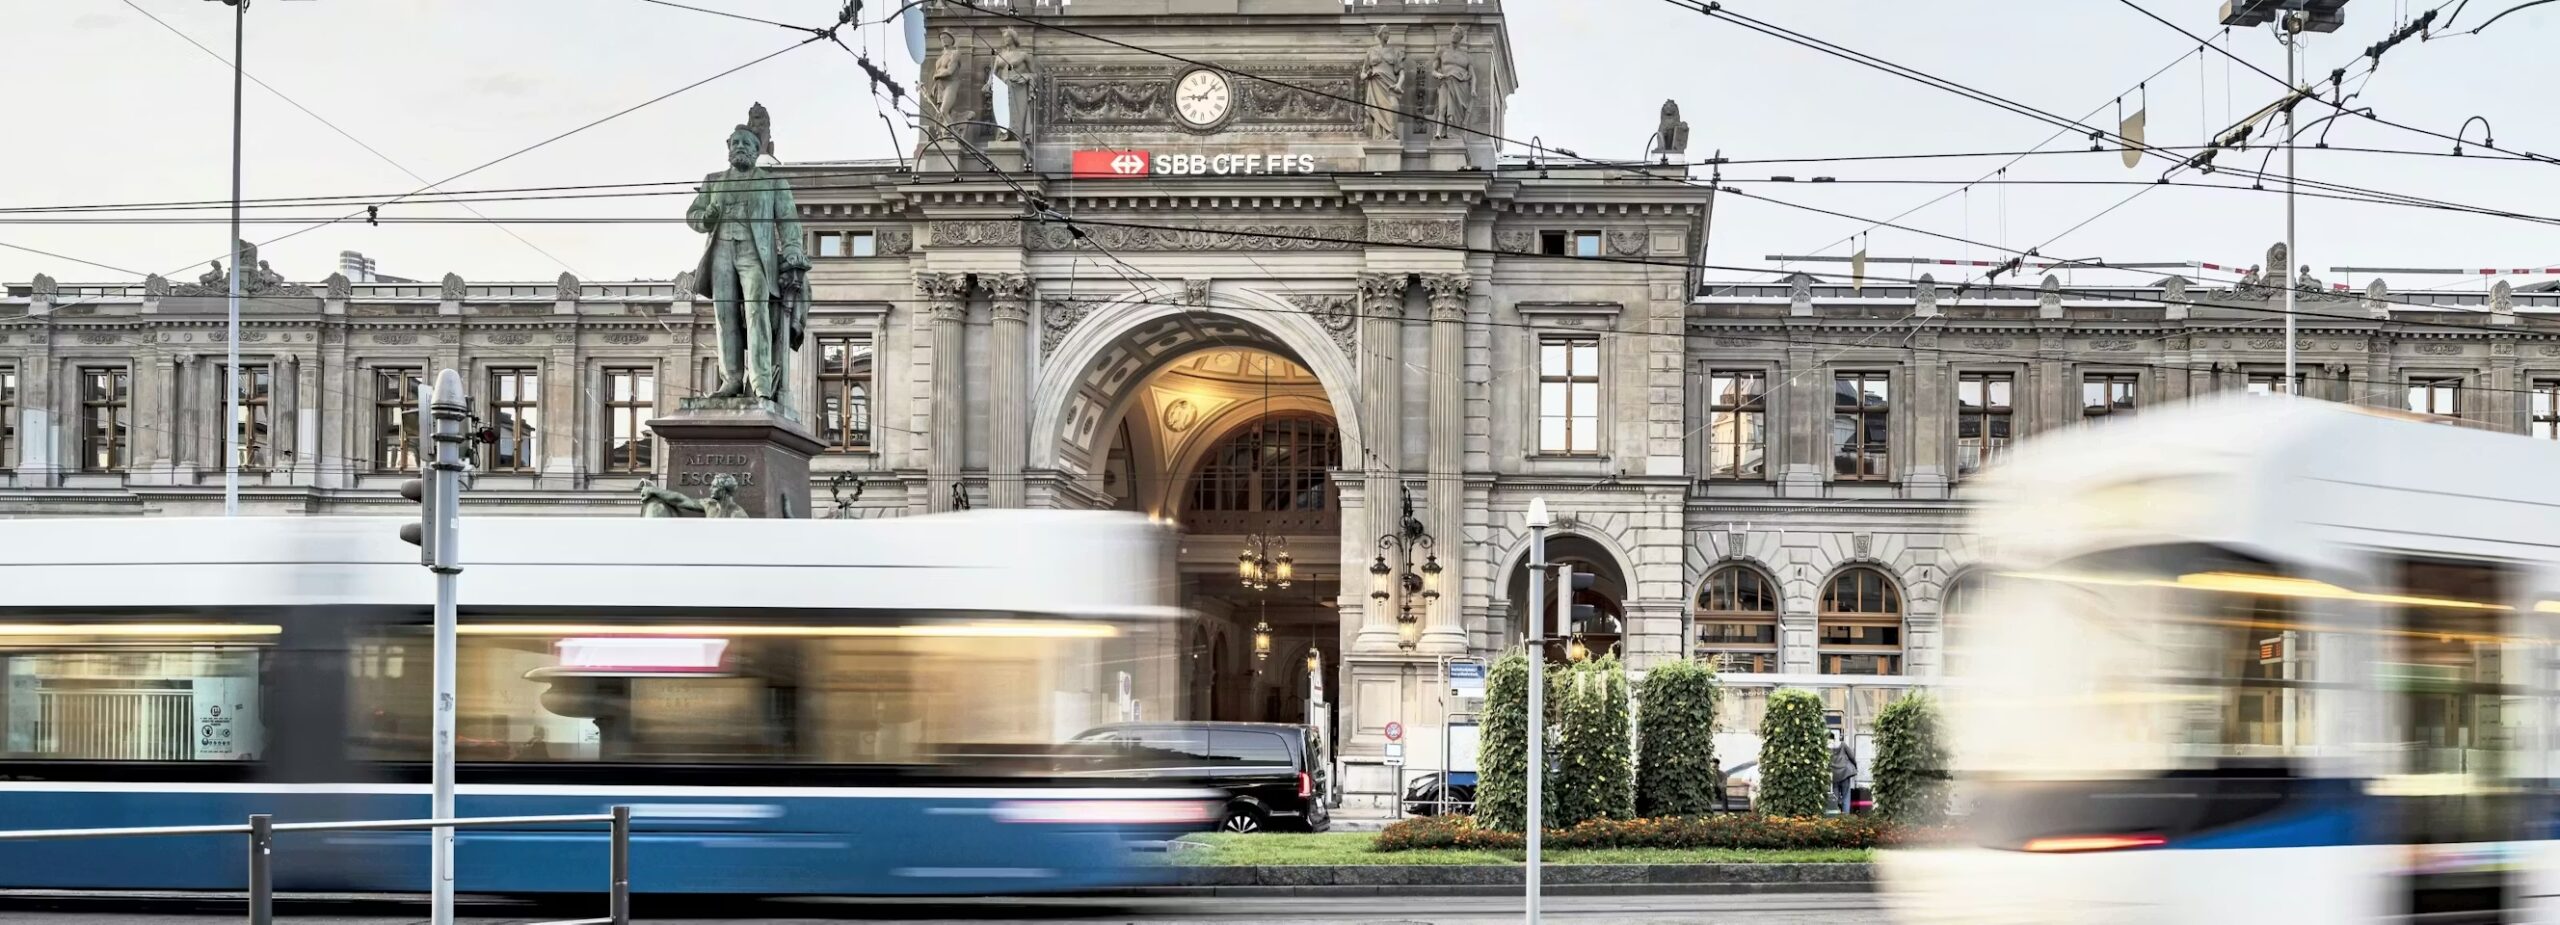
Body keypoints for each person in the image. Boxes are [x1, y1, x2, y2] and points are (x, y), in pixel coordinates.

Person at [1829, 729, 1860, 814]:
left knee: (1835, 796)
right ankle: (1846, 816)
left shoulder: (1827, 748)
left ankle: (1835, 815)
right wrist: (1855, 766)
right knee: (1846, 795)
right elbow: (1852, 756)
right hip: (1845, 773)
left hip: (1834, 775)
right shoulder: (1843, 745)